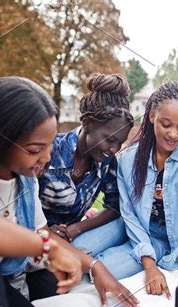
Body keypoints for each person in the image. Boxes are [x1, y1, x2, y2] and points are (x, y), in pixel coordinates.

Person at [0, 77, 139, 307]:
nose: (48, 158)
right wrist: (45, 247)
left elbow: (42, 232)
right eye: (35, 149)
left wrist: (94, 266)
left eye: (49, 146)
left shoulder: (26, 181)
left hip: (7, 279)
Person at [92, 81, 178, 298]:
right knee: (79, 249)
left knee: (102, 268)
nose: (173, 134)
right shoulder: (128, 159)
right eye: (166, 124)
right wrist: (150, 266)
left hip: (163, 239)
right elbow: (128, 214)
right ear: (151, 117)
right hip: (133, 227)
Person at [38, 73, 134, 257]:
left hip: (71, 237)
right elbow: (24, 202)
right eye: (110, 139)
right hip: (35, 234)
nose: (114, 149)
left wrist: (77, 228)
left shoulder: (107, 162)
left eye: (120, 143)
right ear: (88, 123)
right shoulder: (49, 152)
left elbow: (114, 207)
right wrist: (48, 229)